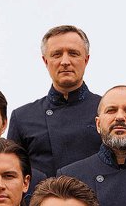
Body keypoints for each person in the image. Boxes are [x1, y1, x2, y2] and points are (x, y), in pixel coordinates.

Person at [8, 25, 101, 176]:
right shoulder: (22, 117)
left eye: (73, 53)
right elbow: (12, 174)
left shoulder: (107, 111)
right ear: (45, 61)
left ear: (86, 59)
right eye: (57, 54)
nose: (65, 61)